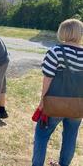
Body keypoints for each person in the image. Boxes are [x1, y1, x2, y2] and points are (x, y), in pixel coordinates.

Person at [32, 19, 83, 166]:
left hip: (55, 103)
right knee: (70, 136)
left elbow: (47, 79)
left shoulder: (55, 51)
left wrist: (42, 101)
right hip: (78, 105)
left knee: (41, 135)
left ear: (63, 31)